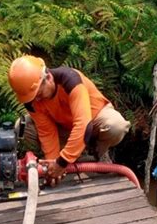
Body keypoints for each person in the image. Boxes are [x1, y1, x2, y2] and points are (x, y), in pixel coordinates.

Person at [8, 55, 131, 185]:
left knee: (116, 126)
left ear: (48, 78)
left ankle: (98, 153)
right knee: (23, 126)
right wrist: (53, 163)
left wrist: (62, 162)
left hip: (93, 121)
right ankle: (75, 154)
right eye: (32, 98)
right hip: (65, 126)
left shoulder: (70, 80)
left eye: (39, 95)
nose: (37, 100)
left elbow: (84, 125)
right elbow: (46, 132)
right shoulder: (32, 100)